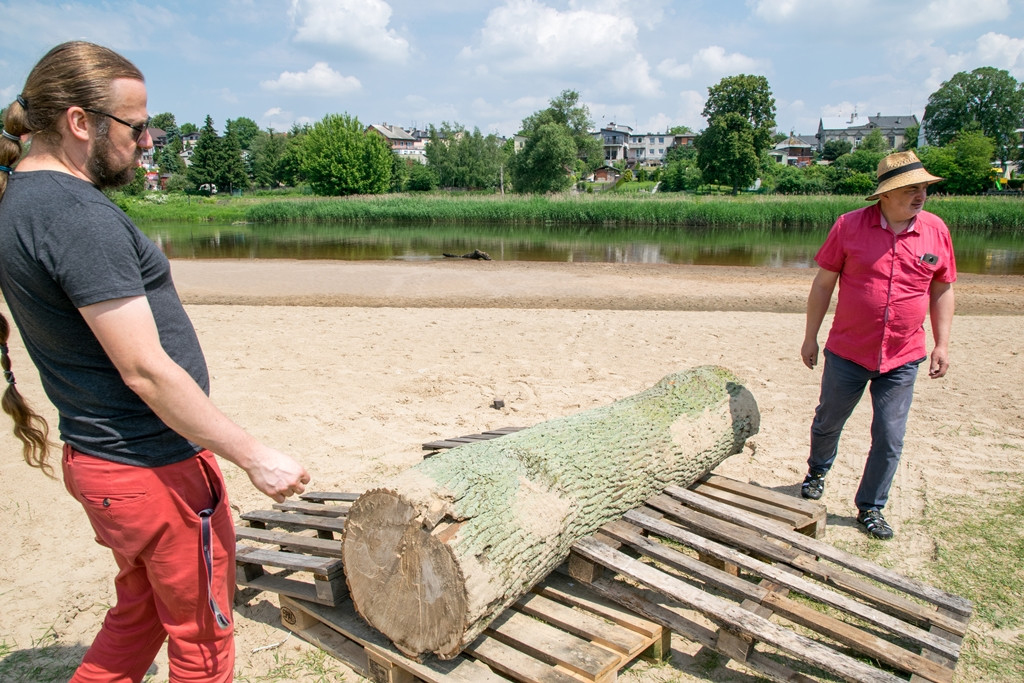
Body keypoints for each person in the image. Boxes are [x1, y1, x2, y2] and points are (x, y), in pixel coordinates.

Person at [0, 42, 310, 682]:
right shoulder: (75, 216)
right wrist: (255, 455)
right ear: (82, 122)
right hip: (150, 468)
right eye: (138, 127)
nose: (148, 142)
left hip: (102, 462)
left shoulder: (20, 200)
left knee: (138, 612)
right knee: (203, 637)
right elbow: (145, 369)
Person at [799, 150, 955, 541]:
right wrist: (810, 337)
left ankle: (871, 507)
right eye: (910, 189)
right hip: (848, 351)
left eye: (923, 188)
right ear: (884, 194)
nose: (920, 196)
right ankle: (818, 470)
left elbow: (942, 287)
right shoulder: (849, 226)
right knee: (829, 420)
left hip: (903, 356)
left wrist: (942, 344)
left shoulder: (936, 230)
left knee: (890, 434)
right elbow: (823, 284)